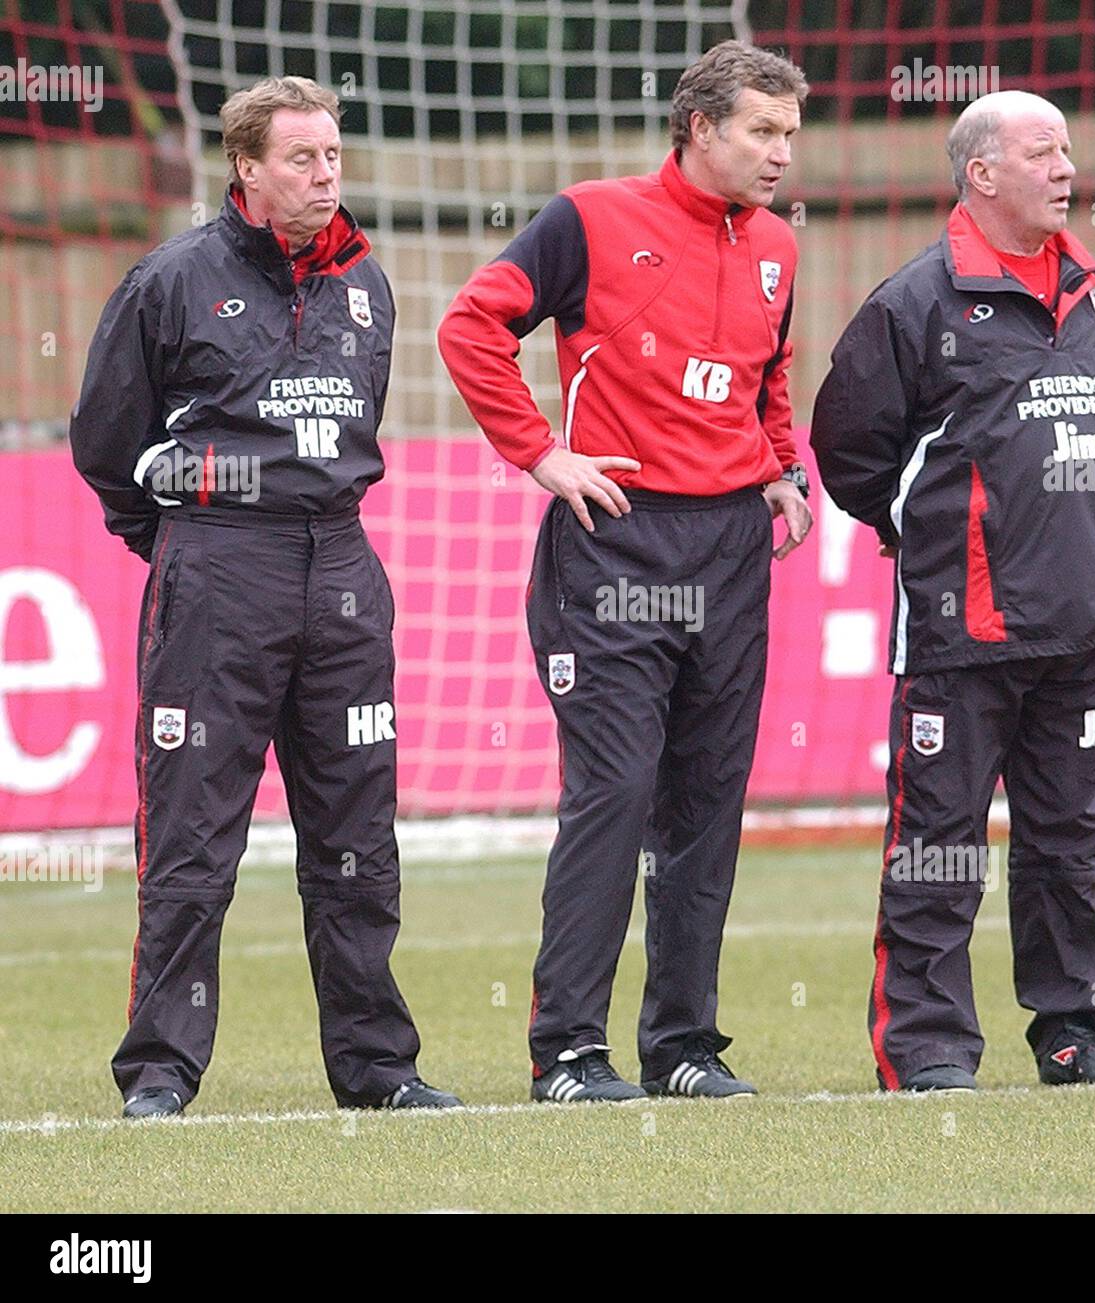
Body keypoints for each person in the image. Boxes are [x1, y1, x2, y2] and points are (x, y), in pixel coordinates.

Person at [70, 76, 461, 1118]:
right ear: (247, 167)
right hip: (216, 575)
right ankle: (159, 1071)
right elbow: (106, 444)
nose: (325, 174)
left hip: (339, 569)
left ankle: (378, 1067)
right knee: (195, 837)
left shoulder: (367, 281)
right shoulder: (172, 280)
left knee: (357, 841)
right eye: (302, 158)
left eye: (333, 155)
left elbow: (357, 422)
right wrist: (186, 546)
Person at [439, 41, 813, 1103]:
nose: (780, 153)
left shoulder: (780, 243)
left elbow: (768, 370)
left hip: (732, 550)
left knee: (706, 801)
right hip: (613, 544)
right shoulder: (590, 219)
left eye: (789, 133)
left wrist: (782, 470)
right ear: (699, 128)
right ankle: (566, 1051)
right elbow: (472, 324)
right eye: (761, 131)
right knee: (615, 790)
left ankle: (684, 1046)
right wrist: (539, 452)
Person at [811, 90, 1095, 1093]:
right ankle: (925, 1047)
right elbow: (849, 454)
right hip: (963, 629)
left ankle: (1072, 1030)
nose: (1064, 169)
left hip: (1085, 620)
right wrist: (927, 537)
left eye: (1067, 150)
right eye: (1041, 152)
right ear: (982, 174)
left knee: (1067, 844)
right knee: (939, 848)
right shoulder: (912, 304)